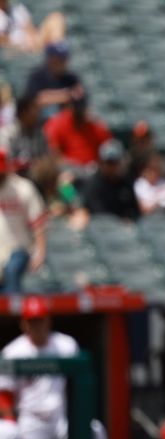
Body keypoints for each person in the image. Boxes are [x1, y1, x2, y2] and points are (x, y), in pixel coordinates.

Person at [0, 296, 79, 439]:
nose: (37, 325)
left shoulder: (66, 345)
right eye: (32, 321)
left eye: (40, 320)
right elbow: (4, 396)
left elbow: (80, 384)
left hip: (60, 420)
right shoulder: (13, 352)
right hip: (30, 422)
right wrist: (16, 430)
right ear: (23, 324)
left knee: (94, 432)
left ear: (48, 321)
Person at [0, 149, 47, 294]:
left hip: (19, 249)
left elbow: (38, 223)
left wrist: (40, 252)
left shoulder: (23, 188)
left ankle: (12, 315)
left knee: (13, 270)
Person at [43, 91, 112, 173]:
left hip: (93, 171)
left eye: (81, 106)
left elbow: (108, 150)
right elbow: (55, 155)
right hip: (69, 171)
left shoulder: (97, 126)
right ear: (70, 106)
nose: (78, 111)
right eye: (76, 106)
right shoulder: (58, 123)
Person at [80, 139, 140, 221]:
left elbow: (134, 210)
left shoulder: (126, 183)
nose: (112, 167)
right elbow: (98, 212)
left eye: (115, 162)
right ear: (101, 163)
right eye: (109, 162)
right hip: (100, 228)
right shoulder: (93, 185)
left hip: (125, 229)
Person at [23, 42, 82, 118]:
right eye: (58, 59)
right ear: (50, 58)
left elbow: (80, 96)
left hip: (65, 122)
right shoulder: (37, 75)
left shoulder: (71, 78)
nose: (61, 62)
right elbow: (37, 99)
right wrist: (67, 95)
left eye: (63, 59)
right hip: (39, 122)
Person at [0, 93, 49, 177]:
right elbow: (5, 165)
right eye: (34, 109)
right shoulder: (7, 133)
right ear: (23, 113)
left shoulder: (40, 134)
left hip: (37, 177)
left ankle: (69, 191)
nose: (38, 113)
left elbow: (45, 160)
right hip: (13, 179)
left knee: (64, 184)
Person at [0, 0, 66, 54]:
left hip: (29, 44)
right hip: (11, 49)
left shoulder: (17, 8)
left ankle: (57, 52)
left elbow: (30, 30)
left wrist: (31, 42)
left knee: (56, 18)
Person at [133, 151, 165, 216]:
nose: (154, 172)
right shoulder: (141, 184)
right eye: (151, 168)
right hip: (149, 220)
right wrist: (161, 203)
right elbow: (145, 209)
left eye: (157, 168)